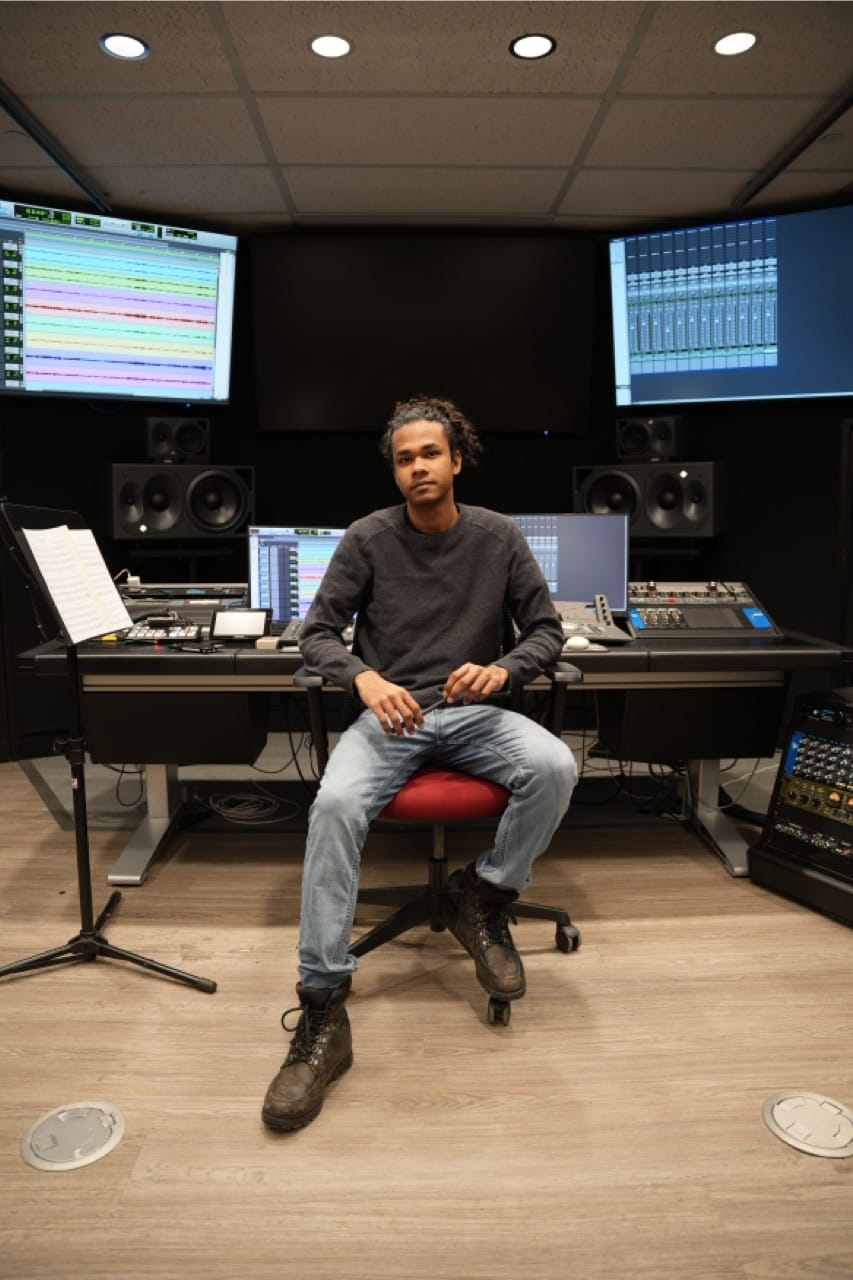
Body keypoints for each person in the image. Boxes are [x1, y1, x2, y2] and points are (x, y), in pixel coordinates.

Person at [262, 394, 578, 1131]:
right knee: (334, 806)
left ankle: (486, 895)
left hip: (477, 715)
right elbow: (317, 637)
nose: (416, 468)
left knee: (556, 766)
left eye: (429, 454)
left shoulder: (498, 538)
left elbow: (545, 632)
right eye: (404, 459)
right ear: (395, 471)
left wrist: (502, 672)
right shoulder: (367, 539)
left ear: (456, 459)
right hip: (391, 719)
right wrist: (364, 679)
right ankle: (322, 1010)